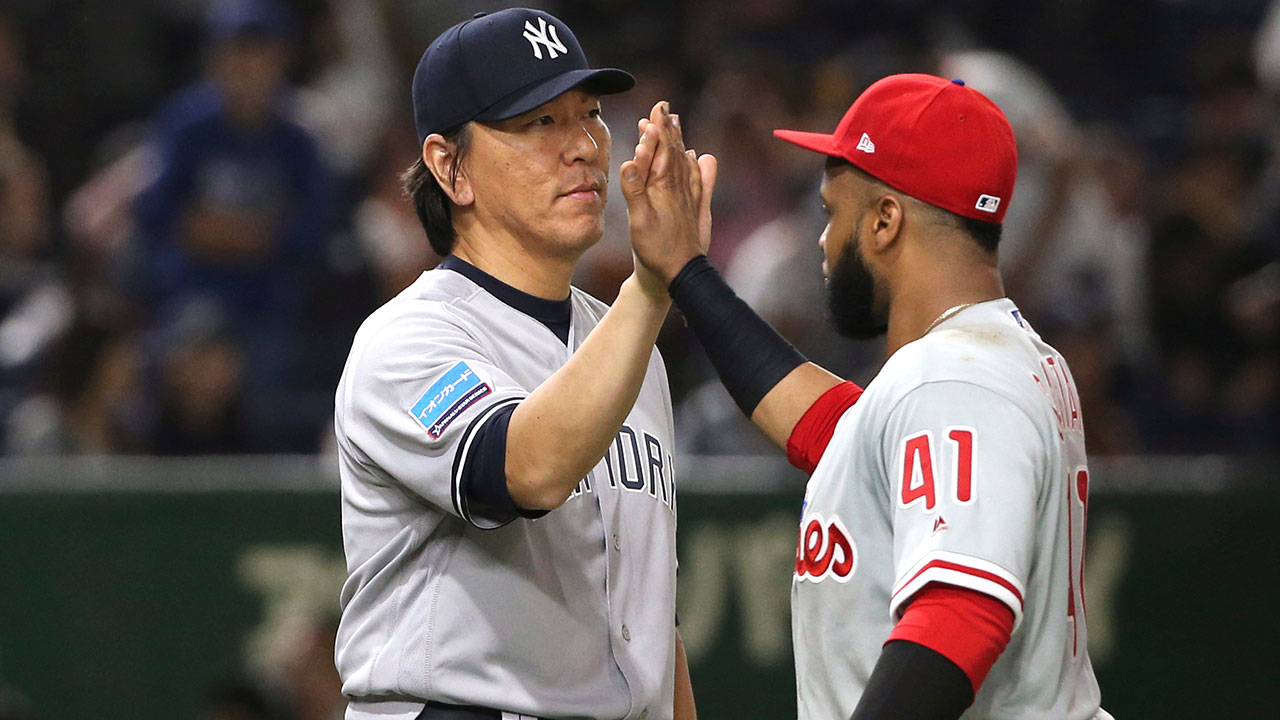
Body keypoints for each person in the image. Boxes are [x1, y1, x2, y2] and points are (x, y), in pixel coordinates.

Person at [629, 74, 1111, 719]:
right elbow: (832, 430)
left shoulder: (953, 379)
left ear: (885, 220)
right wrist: (686, 272)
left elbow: (962, 615)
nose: (824, 239)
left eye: (833, 212)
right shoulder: (997, 356)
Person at [333, 8, 713, 720]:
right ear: (451, 167)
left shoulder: (630, 345)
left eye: (591, 113)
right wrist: (652, 289)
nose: (584, 147)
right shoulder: (409, 338)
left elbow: (654, 626)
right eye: (539, 122)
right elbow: (524, 470)